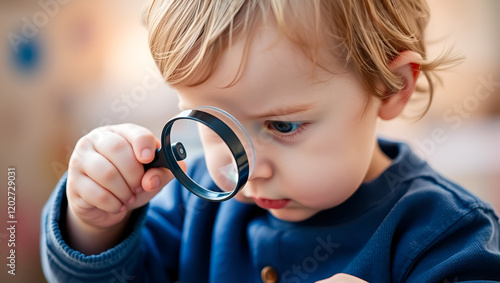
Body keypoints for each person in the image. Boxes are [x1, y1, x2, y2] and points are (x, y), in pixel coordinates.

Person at [40, 0, 500, 282]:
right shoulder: (190, 200)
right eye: (212, 123)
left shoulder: (446, 234)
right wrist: (97, 225)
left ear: (391, 87)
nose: (247, 168)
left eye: (282, 127)